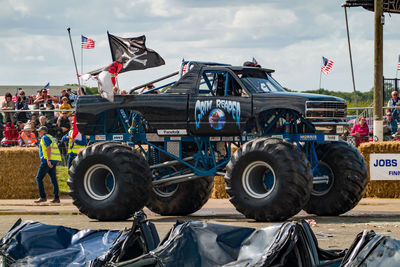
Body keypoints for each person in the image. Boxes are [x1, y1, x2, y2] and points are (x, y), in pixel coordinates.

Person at [34, 126, 61, 203]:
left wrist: (48, 160)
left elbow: (48, 148)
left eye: (39, 131)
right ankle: (56, 198)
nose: (38, 132)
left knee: (39, 178)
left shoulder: (45, 137)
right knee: (53, 179)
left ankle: (43, 197)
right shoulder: (51, 137)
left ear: (43, 131)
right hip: (54, 160)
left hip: (47, 161)